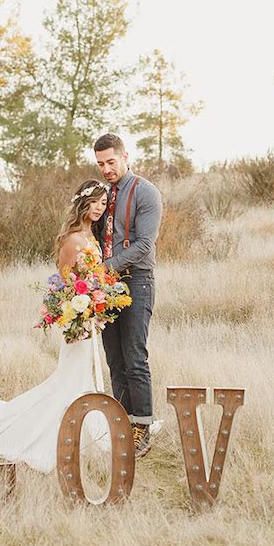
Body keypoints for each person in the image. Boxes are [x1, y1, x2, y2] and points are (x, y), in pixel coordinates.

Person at [0, 179, 112, 472]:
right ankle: (51, 430)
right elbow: (67, 282)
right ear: (82, 203)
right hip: (76, 319)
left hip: (89, 317)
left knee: (85, 377)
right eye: (94, 203)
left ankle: (87, 429)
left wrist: (99, 300)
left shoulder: (92, 237)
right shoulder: (73, 240)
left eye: (103, 204)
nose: (99, 209)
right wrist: (83, 305)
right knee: (70, 379)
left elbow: (94, 279)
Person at [91, 133, 163, 458]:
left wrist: (105, 267)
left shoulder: (146, 193)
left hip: (136, 281)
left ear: (125, 156)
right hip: (105, 287)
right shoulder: (102, 196)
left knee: (135, 357)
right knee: (114, 359)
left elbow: (144, 245)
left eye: (110, 161)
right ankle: (122, 424)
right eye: (100, 164)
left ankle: (142, 427)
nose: (106, 169)